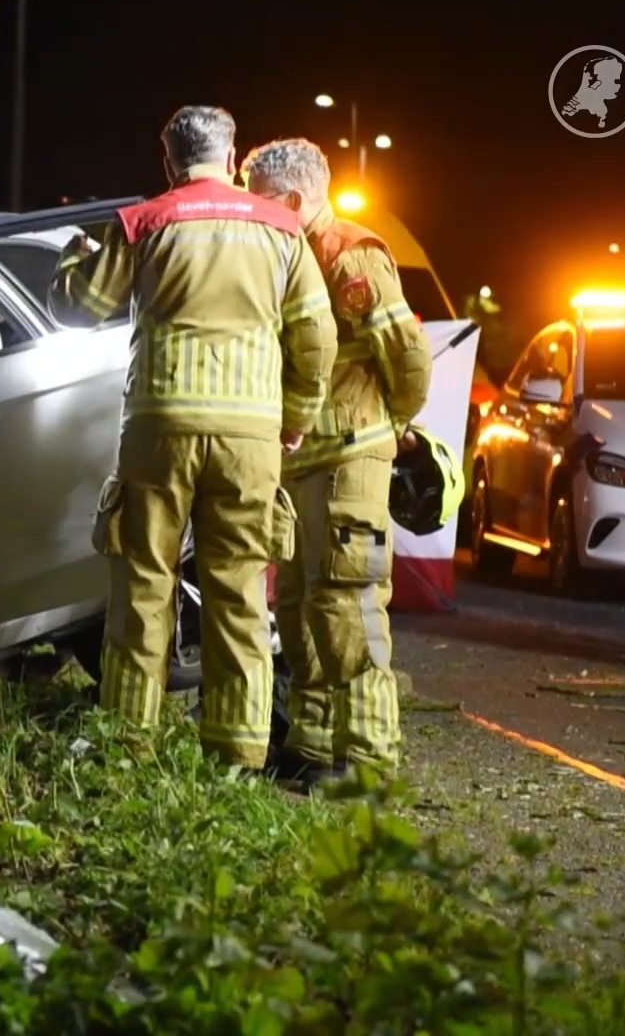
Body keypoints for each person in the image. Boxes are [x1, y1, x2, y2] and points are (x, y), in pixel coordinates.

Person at [54, 105, 335, 769]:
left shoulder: (143, 223)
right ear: (234, 158)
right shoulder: (283, 231)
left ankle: (127, 746)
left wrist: (75, 252)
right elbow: (315, 339)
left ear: (168, 162)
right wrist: (295, 416)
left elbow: (77, 306)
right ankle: (237, 754)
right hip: (249, 439)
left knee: (143, 588)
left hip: (160, 429)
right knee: (238, 592)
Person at [240, 138, 433, 787]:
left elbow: (406, 354)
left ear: (293, 201)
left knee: (346, 602)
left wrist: (393, 422)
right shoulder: (287, 253)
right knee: (297, 605)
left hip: (351, 453)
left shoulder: (350, 255)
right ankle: (314, 745)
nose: (249, 210)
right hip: (302, 457)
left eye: (258, 199)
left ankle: (372, 760)